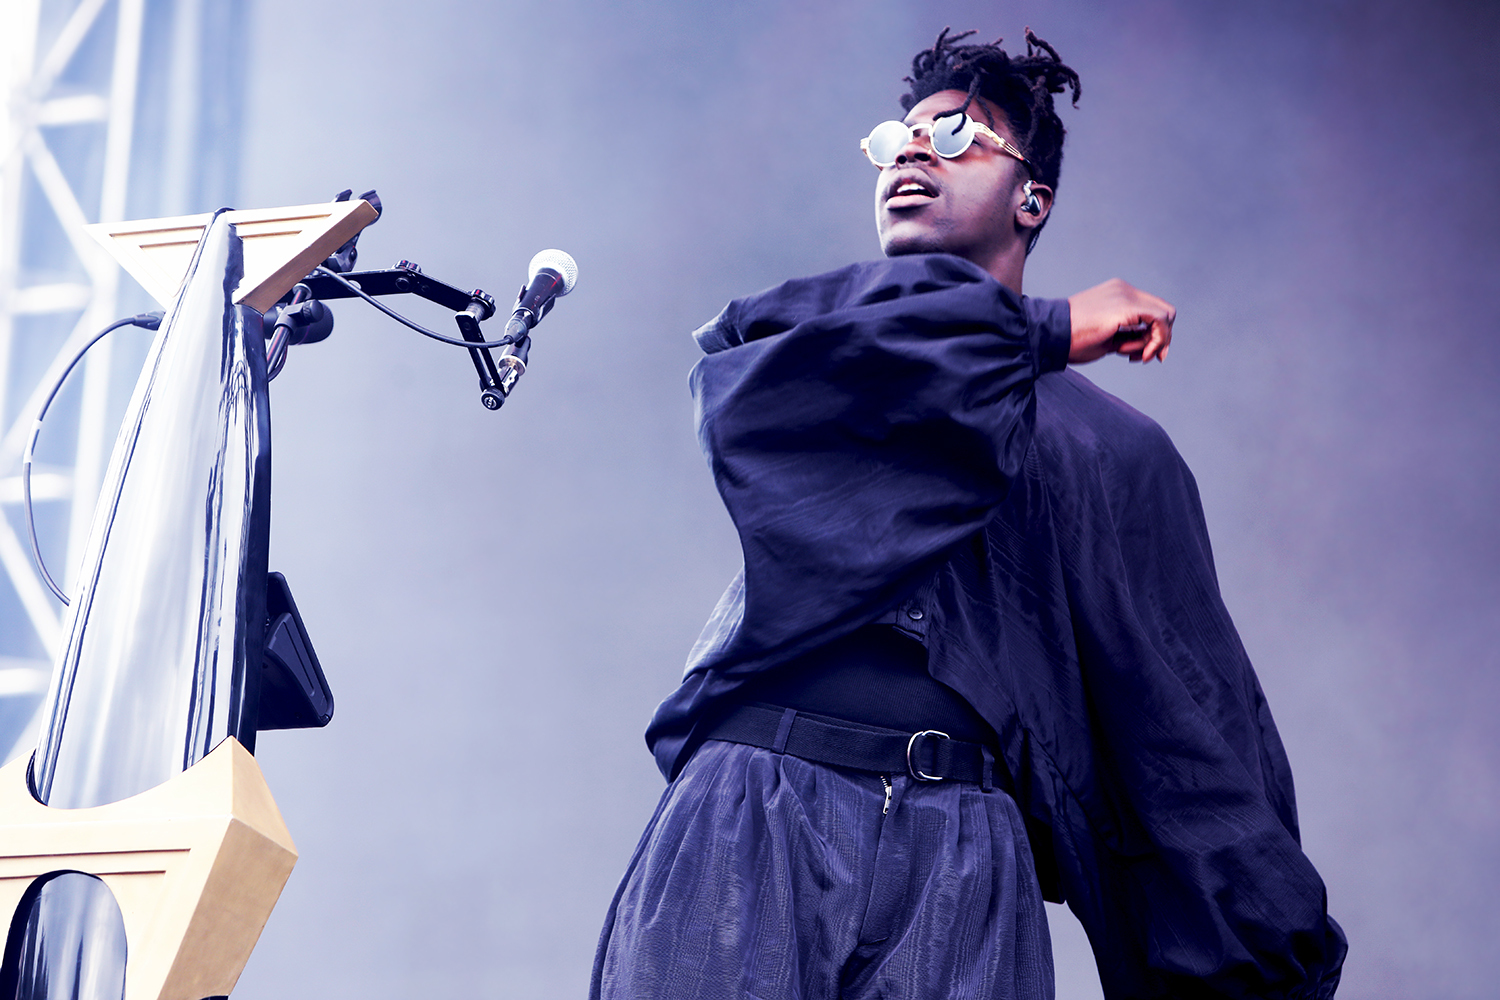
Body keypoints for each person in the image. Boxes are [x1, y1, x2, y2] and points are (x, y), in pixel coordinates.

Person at [592, 28, 1346, 1000]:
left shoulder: (1120, 451)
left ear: (1032, 198)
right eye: (897, 139)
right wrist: (1052, 328)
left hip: (965, 851)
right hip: (760, 796)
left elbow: (1193, 726)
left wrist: (1270, 945)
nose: (911, 151)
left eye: (956, 136)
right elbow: (758, 390)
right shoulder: (818, 334)